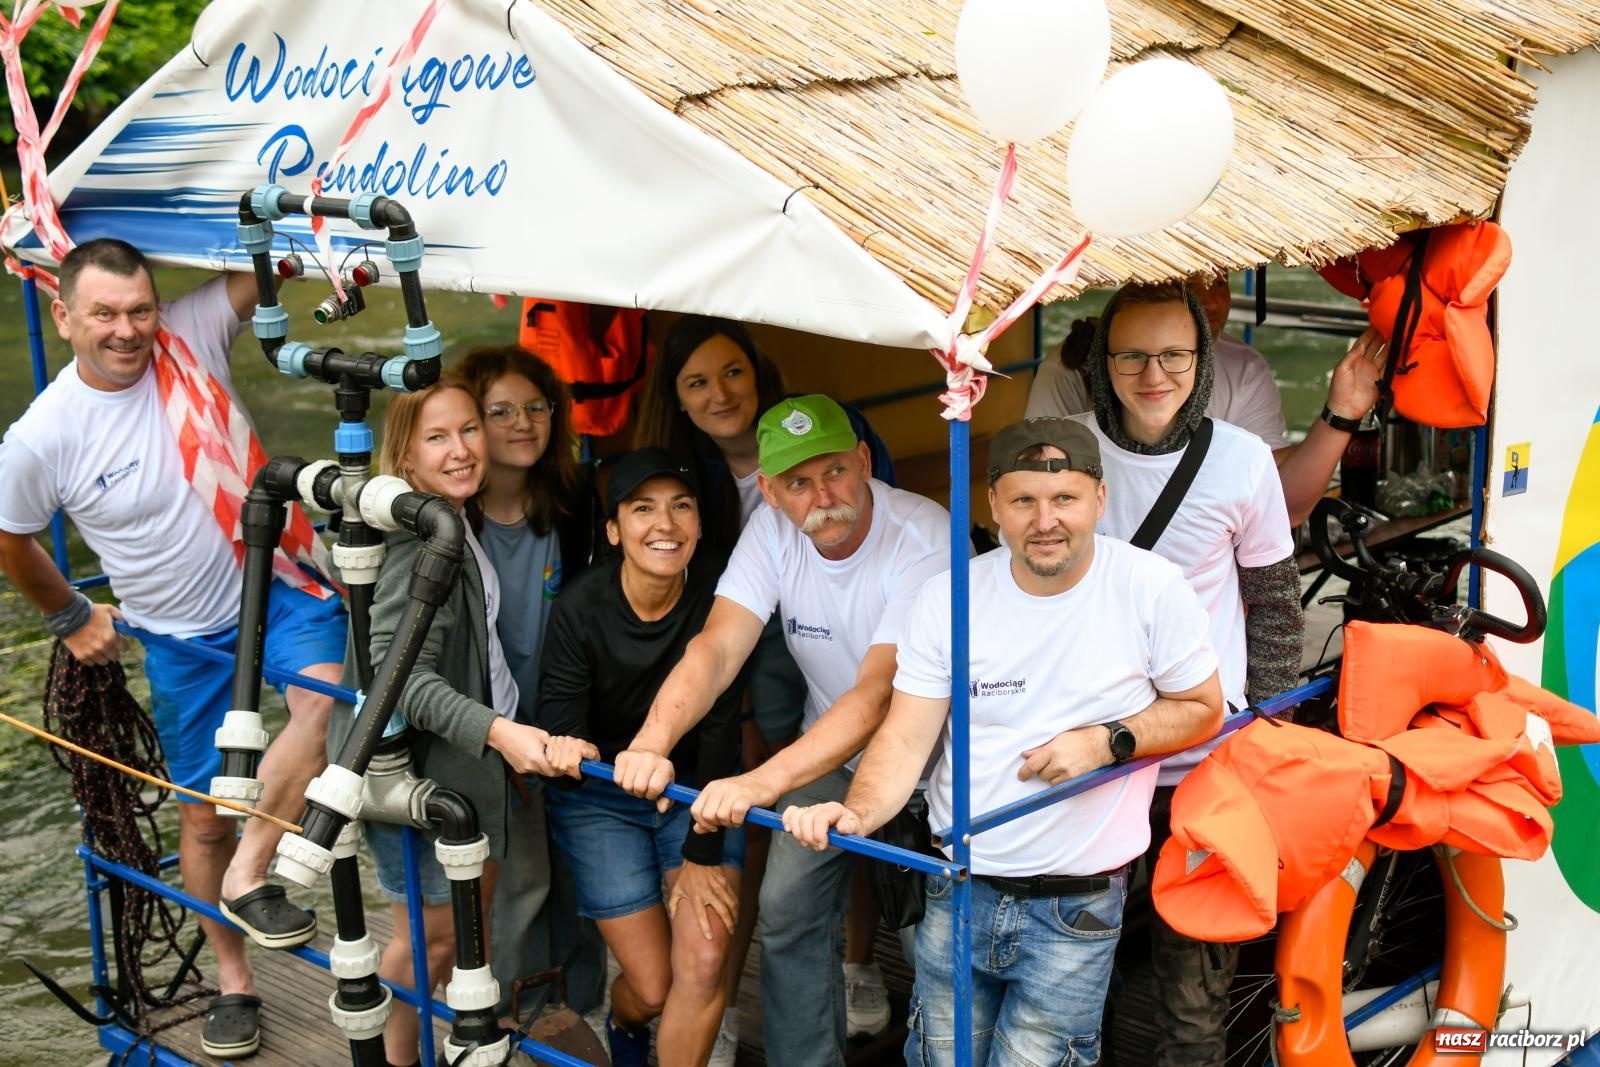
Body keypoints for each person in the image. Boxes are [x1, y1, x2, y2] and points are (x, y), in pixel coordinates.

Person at [783, 416, 1224, 1067]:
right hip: (956, 890)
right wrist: (855, 812)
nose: (1046, 520)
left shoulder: (1152, 587)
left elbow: (1202, 708)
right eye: (1024, 501)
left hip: (1076, 905)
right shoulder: (947, 597)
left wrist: (1109, 740)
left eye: (1065, 499)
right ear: (994, 506)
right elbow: (905, 735)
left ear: (1099, 499)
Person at [0, 240, 347, 1058]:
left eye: (140, 310)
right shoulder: (41, 437)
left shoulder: (186, 336)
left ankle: (251, 873)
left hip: (281, 583)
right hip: (180, 637)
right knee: (201, 817)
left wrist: (305, 214)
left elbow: (265, 266)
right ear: (64, 315)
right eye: (105, 314)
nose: (127, 331)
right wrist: (69, 614)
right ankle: (235, 982)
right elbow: (12, 539)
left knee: (325, 703)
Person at [613, 394, 952, 1067]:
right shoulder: (770, 530)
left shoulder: (924, 534)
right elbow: (715, 649)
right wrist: (651, 740)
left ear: (863, 461)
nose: (821, 494)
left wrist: (760, 782)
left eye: (834, 471)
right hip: (827, 748)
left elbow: (878, 693)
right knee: (787, 907)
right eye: (798, 481)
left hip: (928, 763)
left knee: (934, 946)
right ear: (769, 491)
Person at [1079, 282, 1304, 1066]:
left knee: (1194, 991)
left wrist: (1266, 743)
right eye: (1132, 354)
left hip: (1205, 762)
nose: (1153, 373)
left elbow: (1275, 609)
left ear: (1202, 358)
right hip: (1091, 761)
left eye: (1173, 353)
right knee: (1077, 977)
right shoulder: (1061, 450)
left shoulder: (1242, 461)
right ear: (1103, 361)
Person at [329, 377, 561, 1067]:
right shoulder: (416, 535)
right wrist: (501, 731)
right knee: (430, 939)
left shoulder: (449, 517)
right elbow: (397, 678)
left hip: (460, 770)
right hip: (417, 772)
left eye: (468, 429)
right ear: (405, 451)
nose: (461, 449)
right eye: (438, 436)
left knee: (454, 933)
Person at [537, 448, 747, 1067]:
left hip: (694, 795)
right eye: (643, 508)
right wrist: (607, 762)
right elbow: (561, 729)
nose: (665, 523)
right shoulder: (581, 605)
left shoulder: (721, 597)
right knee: (651, 989)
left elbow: (720, 731)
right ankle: (624, 1029)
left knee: (705, 959)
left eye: (682, 507)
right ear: (613, 529)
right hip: (599, 798)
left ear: (701, 525)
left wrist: (702, 848)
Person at [453, 345, 608, 1026]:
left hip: (561, 712)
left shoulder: (572, 498)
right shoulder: (449, 516)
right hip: (488, 724)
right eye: (501, 410)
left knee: (571, 869)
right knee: (505, 874)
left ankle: (575, 1008)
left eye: (536, 407)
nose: (523, 422)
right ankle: (504, 1011)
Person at [1027, 272, 1390, 524]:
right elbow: (1041, 499)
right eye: (1132, 357)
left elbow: (1280, 504)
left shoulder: (1243, 388)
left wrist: (1340, 413)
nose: (1212, 302)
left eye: (1219, 281)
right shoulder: (1069, 377)